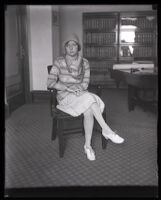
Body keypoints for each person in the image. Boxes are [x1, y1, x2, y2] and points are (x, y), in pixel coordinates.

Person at [47, 33, 124, 161]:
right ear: (65, 48)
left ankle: (87, 146)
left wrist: (80, 88)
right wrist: (68, 88)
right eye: (68, 45)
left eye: (74, 45)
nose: (71, 48)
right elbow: (50, 83)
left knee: (89, 107)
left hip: (81, 94)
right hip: (65, 97)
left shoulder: (85, 62)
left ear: (79, 47)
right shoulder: (59, 62)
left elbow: (85, 82)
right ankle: (107, 130)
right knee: (90, 100)